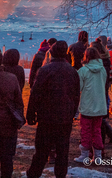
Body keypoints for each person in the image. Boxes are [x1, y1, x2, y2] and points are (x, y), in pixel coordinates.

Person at [26, 41, 80, 178]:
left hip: (47, 117)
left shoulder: (45, 70)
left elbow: (35, 94)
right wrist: (72, 112)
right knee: (62, 150)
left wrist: (31, 113)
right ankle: (60, 174)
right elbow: (76, 95)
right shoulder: (72, 71)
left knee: (42, 151)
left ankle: (34, 174)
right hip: (65, 117)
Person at [74, 47, 107, 163]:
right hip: (100, 105)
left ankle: (85, 154)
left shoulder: (83, 71)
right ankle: (98, 155)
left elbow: (79, 87)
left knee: (86, 131)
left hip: (87, 106)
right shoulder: (102, 70)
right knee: (97, 130)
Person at [90, 38, 112, 144]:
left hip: (99, 91)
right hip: (102, 90)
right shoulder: (105, 60)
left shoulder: (100, 64)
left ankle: (100, 139)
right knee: (100, 118)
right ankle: (108, 135)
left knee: (98, 118)